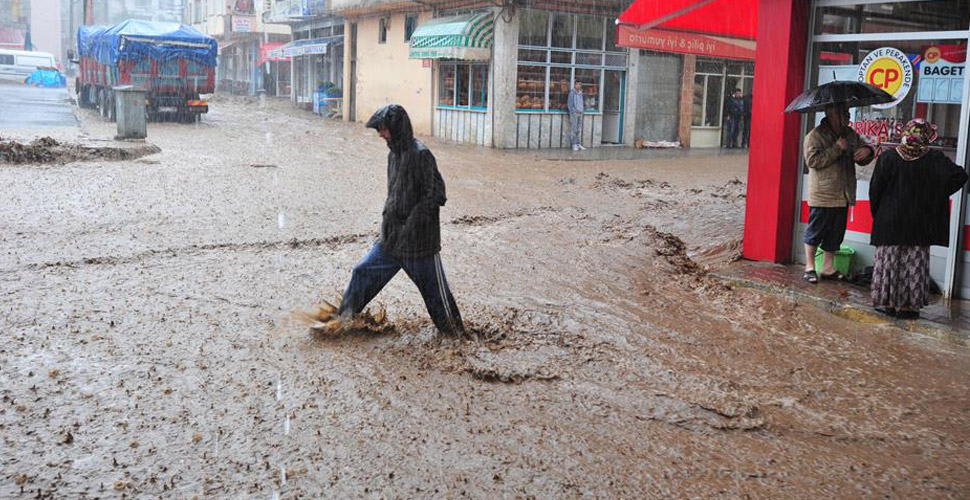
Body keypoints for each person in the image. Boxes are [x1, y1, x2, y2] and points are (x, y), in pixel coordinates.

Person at [336, 104, 464, 334]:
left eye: (383, 129)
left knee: (438, 300)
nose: (381, 134)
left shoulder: (421, 154)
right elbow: (394, 195)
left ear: (396, 128)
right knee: (362, 272)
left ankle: (459, 339)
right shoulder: (393, 155)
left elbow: (437, 194)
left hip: (419, 245)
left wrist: (411, 223)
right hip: (391, 240)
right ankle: (339, 323)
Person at [869, 119, 967, 319]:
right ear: (927, 136)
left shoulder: (887, 158)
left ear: (906, 133)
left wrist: (880, 214)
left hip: (891, 221)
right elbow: (960, 176)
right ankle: (908, 309)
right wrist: (937, 194)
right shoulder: (935, 159)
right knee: (913, 265)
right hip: (920, 224)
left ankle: (888, 304)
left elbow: (875, 192)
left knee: (889, 263)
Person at [802, 104, 874, 283]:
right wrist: (836, 148)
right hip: (823, 194)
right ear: (832, 114)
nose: (848, 117)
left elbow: (864, 153)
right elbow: (812, 161)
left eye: (848, 114)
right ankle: (810, 267)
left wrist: (867, 152)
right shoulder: (815, 136)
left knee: (835, 233)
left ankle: (828, 267)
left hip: (843, 193)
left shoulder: (849, 134)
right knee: (815, 231)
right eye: (844, 114)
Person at [567, 81, 586, 152]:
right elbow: (569, 104)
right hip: (574, 114)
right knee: (574, 129)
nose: (579, 86)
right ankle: (574, 144)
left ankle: (578, 144)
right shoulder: (572, 93)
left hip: (580, 113)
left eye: (580, 84)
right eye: (577, 84)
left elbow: (582, 102)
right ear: (575, 85)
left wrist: (583, 110)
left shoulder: (581, 93)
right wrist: (573, 112)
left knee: (578, 130)